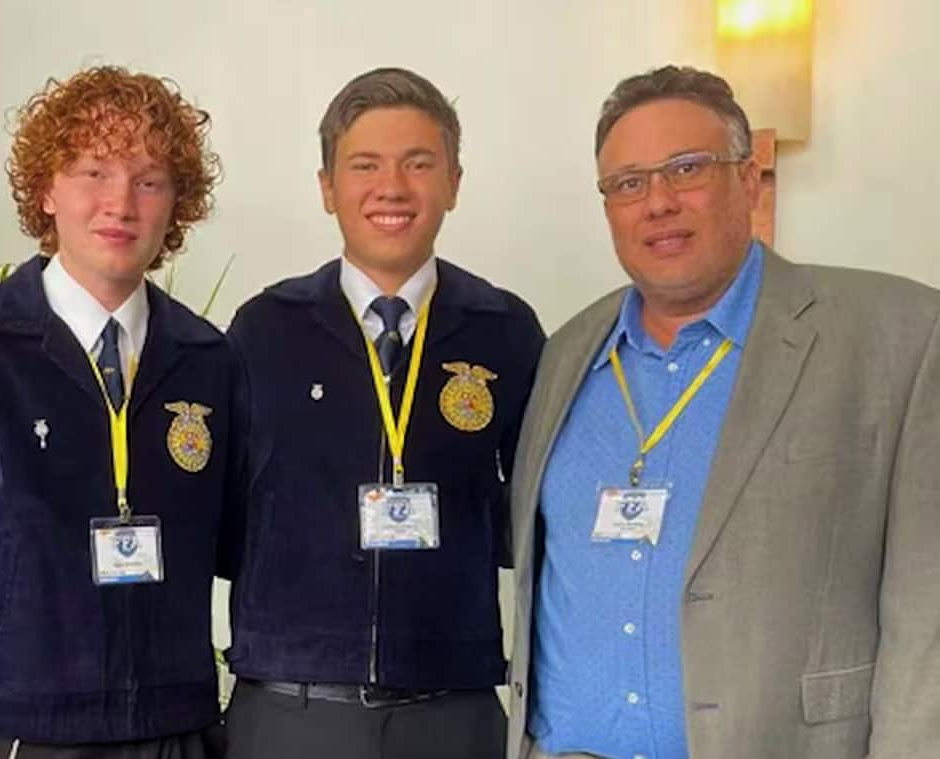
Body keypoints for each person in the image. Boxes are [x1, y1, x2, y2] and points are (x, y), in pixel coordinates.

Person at [506, 65, 940, 759]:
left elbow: (930, 619)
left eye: (686, 168)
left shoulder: (900, 337)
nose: (657, 202)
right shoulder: (564, 355)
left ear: (749, 179)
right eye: (628, 183)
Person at [0, 65, 235, 759]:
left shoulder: (209, 358)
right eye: (93, 171)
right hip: (25, 733)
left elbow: (250, 548)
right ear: (45, 190)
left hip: (178, 730)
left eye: (149, 180)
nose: (120, 202)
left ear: (176, 205)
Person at [222, 67, 545, 759]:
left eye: (418, 164)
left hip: (451, 711)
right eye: (364, 165)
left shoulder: (505, 329)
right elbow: (219, 517)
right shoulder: (264, 329)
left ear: (454, 181)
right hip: (291, 709)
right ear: (327, 187)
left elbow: (533, 514)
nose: (392, 188)